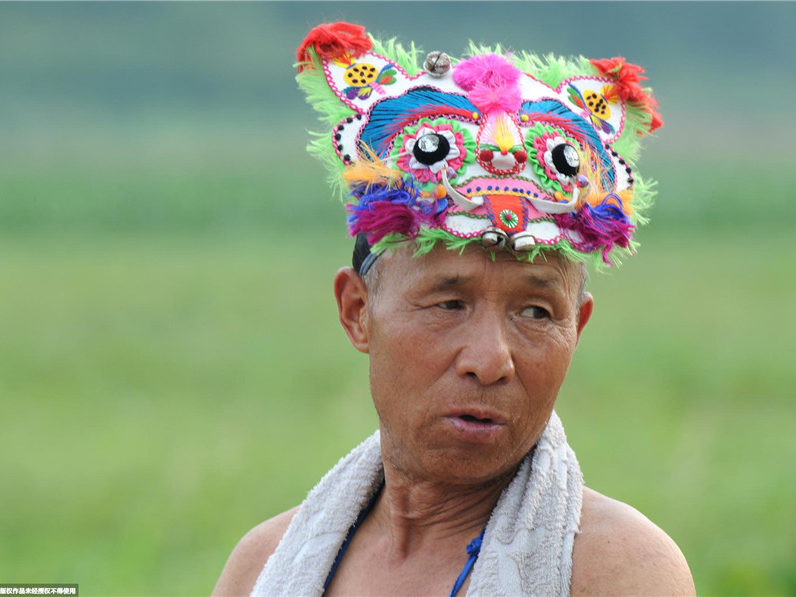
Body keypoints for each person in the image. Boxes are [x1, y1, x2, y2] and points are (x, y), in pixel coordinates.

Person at [214, 22, 694, 596]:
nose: (490, 361)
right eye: (449, 303)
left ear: (578, 327)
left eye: (537, 313)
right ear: (357, 311)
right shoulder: (262, 568)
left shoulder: (618, 572)